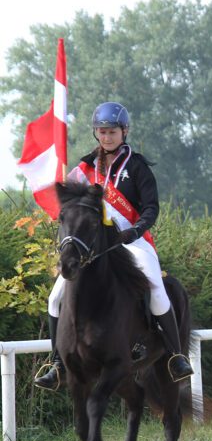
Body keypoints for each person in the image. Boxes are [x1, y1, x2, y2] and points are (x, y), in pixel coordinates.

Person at [34, 101, 194, 390]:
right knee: (55, 297)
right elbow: (68, 204)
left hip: (132, 242)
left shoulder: (137, 167)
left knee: (156, 286)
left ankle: (175, 355)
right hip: (94, 246)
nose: (106, 137)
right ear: (96, 133)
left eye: (112, 132)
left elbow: (151, 208)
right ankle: (56, 363)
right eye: (102, 131)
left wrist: (135, 231)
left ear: (124, 132)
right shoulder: (84, 168)